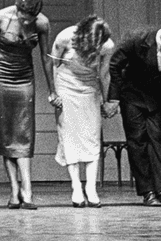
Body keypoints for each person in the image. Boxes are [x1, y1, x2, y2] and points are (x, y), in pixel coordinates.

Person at [107, 25, 161, 206]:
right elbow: (114, 65)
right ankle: (147, 191)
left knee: (158, 139)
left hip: (156, 96)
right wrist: (113, 99)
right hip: (132, 94)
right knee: (137, 141)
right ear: (160, 47)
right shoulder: (136, 39)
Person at [0, 0, 53, 209]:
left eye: (30, 17)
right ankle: (14, 191)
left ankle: (28, 191)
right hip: (1, 77)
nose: (26, 21)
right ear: (17, 8)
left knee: (23, 133)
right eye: (23, 16)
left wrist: (52, 89)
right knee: (7, 136)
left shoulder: (42, 23)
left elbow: (46, 57)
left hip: (25, 77)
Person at [49, 15, 115, 208]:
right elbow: (53, 65)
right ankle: (76, 187)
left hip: (89, 88)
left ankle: (91, 188)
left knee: (92, 137)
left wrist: (106, 99)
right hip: (66, 85)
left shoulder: (108, 46)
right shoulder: (65, 37)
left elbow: (104, 73)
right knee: (69, 136)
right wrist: (53, 93)